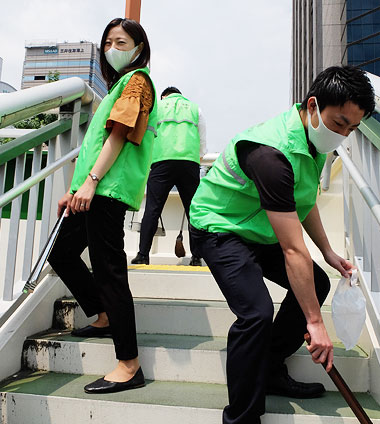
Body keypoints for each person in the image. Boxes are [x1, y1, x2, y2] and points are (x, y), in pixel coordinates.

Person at [189, 66, 375, 423]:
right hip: (219, 227)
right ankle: (242, 417)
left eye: (352, 129)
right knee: (255, 313)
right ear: (313, 105)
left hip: (257, 228)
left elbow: (303, 203)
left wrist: (328, 253)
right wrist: (315, 322)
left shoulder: (311, 140)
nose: (344, 135)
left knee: (318, 282)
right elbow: (292, 250)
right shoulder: (271, 155)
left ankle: (270, 369)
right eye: (339, 124)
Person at [48, 18, 157, 394]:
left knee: (110, 272)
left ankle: (129, 364)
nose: (112, 47)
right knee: (61, 253)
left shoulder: (137, 81)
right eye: (108, 41)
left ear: (139, 47)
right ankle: (105, 314)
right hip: (92, 190)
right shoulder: (116, 87)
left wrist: (92, 183)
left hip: (108, 191)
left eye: (121, 41)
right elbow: (95, 145)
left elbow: (119, 135)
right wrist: (75, 187)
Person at [131, 87, 207, 266]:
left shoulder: (157, 107)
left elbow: (146, 136)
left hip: (161, 162)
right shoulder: (195, 109)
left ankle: (143, 255)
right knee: (193, 211)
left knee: (152, 210)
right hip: (189, 162)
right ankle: (197, 257)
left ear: (164, 96)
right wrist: (197, 157)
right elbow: (202, 141)